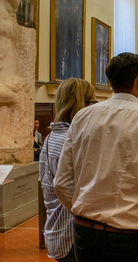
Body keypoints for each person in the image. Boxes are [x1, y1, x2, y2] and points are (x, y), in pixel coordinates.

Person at [54, 53, 138, 262]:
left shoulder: (83, 116)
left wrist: (81, 212)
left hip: (84, 232)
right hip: (128, 235)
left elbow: (62, 182)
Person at [39, 78, 96, 262]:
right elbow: (73, 189)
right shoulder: (69, 141)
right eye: (93, 102)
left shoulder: (52, 137)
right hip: (70, 232)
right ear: (80, 104)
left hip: (59, 229)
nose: (96, 108)